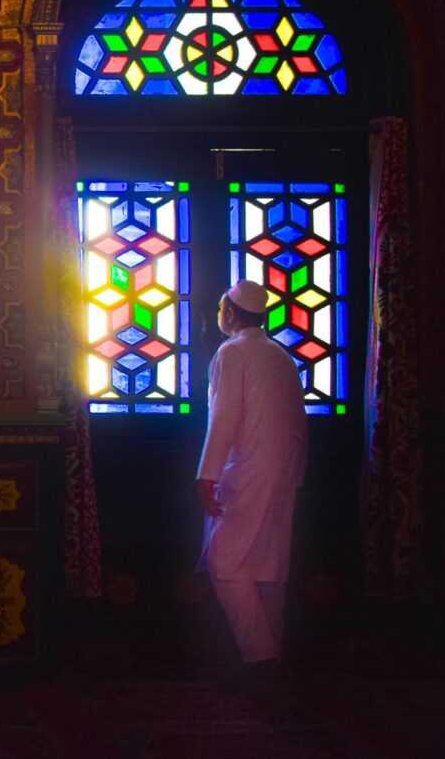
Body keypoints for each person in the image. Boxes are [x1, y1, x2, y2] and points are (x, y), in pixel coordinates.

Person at [195, 278, 308, 676]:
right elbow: (299, 421)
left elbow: (223, 417)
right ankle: (273, 650)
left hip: (249, 469)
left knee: (224, 560)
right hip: (281, 471)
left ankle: (261, 658)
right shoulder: (281, 356)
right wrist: (295, 474)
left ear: (230, 313)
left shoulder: (232, 352)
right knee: (267, 563)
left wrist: (206, 475)